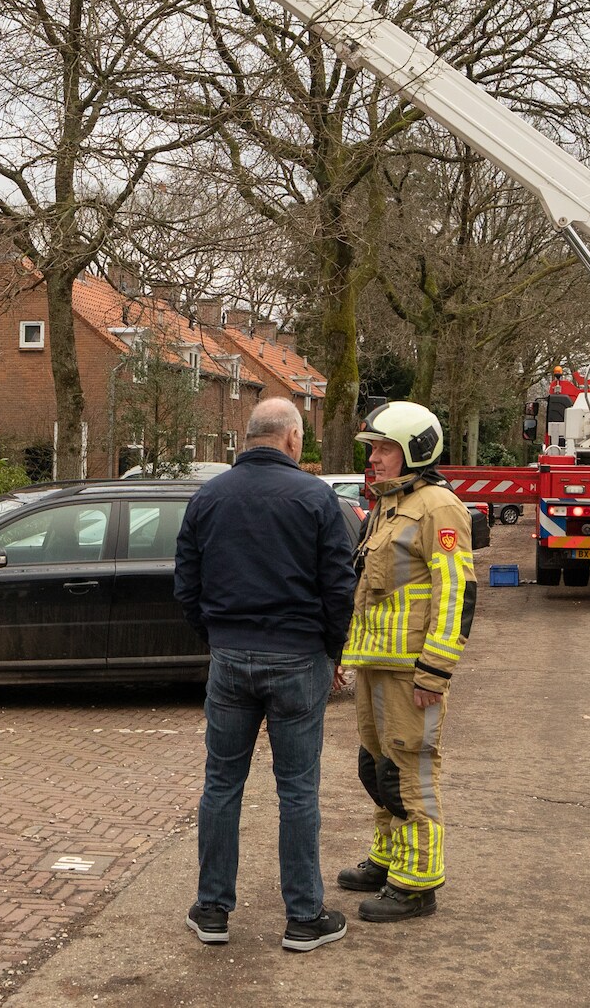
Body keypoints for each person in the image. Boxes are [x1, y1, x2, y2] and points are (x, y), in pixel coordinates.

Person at [174, 398, 358, 954]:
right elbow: (339, 588)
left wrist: (216, 637)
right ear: (293, 440)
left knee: (221, 783)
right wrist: (331, 653)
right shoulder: (316, 498)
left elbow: (186, 582)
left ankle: (212, 909)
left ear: (248, 437)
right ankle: (303, 916)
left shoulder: (208, 497)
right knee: (298, 789)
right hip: (299, 659)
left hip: (231, 657)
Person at [339, 400, 477, 922]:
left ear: (416, 450)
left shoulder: (439, 506)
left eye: (383, 449)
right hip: (375, 663)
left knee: (409, 771)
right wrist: (344, 653)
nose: (373, 459)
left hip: (411, 671)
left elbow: (456, 591)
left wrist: (435, 671)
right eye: (372, 449)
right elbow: (366, 589)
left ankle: (418, 883)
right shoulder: (388, 503)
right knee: (376, 767)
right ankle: (388, 857)